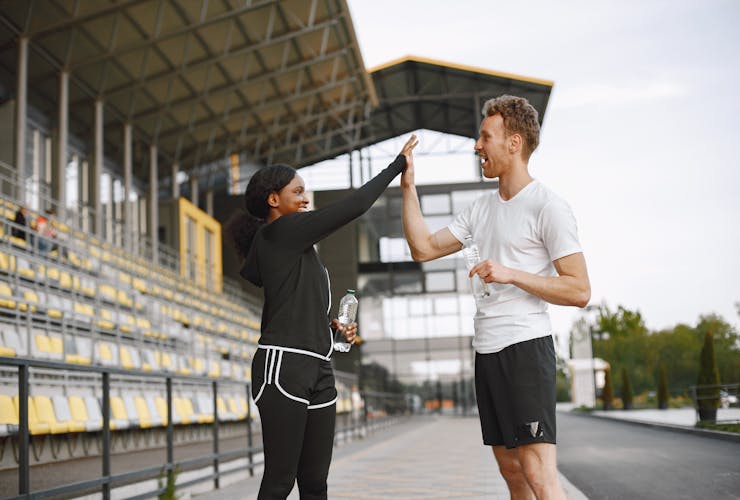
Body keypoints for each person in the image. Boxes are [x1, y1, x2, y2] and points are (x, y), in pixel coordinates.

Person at [400, 96, 590, 500]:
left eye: (485, 137)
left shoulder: (548, 207)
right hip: (487, 352)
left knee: (540, 476)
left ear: (514, 142)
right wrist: (408, 186)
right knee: (512, 473)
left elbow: (579, 289)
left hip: (525, 348)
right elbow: (423, 248)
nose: (477, 145)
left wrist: (511, 274)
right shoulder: (480, 208)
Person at [227, 135, 418, 499]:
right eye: (297, 192)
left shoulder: (294, 245)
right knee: (280, 482)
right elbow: (357, 205)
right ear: (273, 200)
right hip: (283, 365)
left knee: (315, 483)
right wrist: (397, 166)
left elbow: (293, 300)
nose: (305, 198)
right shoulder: (278, 232)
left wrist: (330, 327)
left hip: (319, 366)